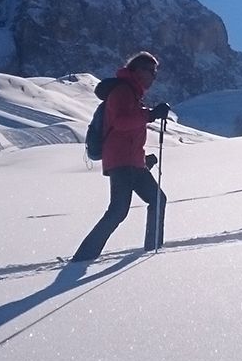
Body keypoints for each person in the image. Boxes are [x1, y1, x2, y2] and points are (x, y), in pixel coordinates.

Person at [71, 52, 170, 262]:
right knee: (119, 210)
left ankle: (153, 248)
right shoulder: (122, 91)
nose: (154, 76)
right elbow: (121, 123)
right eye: (151, 71)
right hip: (122, 163)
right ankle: (82, 258)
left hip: (132, 162)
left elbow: (129, 134)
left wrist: (144, 160)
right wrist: (151, 115)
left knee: (155, 200)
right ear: (138, 70)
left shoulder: (132, 93)